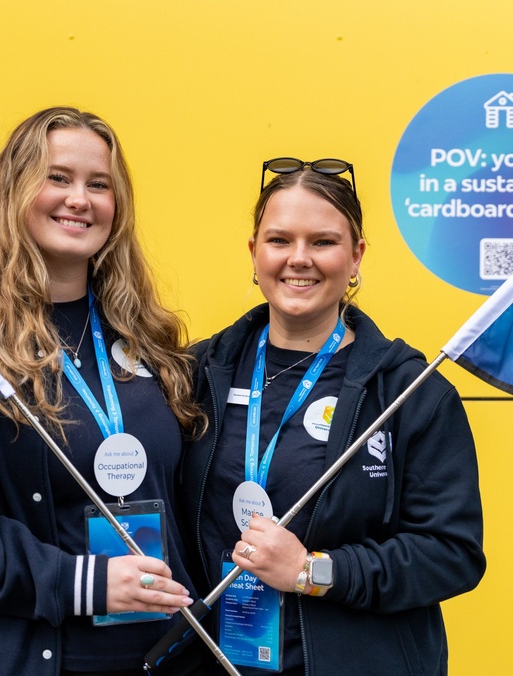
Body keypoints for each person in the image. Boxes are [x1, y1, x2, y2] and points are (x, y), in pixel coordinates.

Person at [0, 107, 208, 676]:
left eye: (99, 184)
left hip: (157, 658)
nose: (79, 199)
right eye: (57, 177)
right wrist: (84, 583)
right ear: (14, 193)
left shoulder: (150, 340)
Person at [180, 158, 486, 675]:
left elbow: (451, 553)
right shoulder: (196, 375)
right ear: (254, 255)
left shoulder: (411, 392)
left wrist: (313, 571)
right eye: (279, 241)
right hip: (219, 661)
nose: (299, 259)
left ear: (356, 256)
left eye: (322, 242)